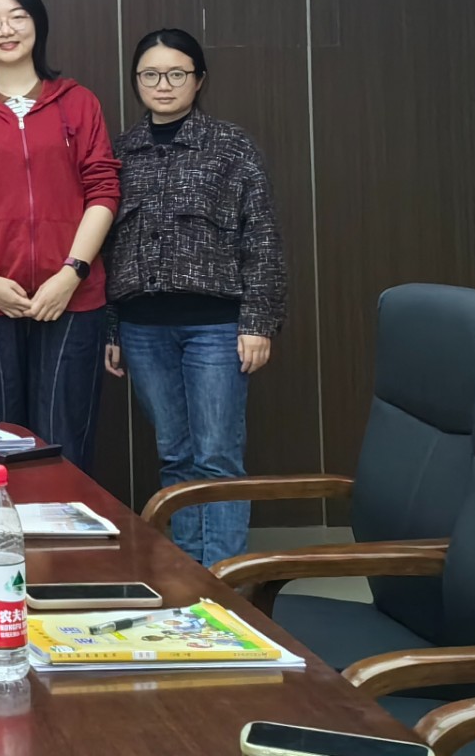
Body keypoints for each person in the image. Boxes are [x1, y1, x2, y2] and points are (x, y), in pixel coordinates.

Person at [103, 28, 285, 566]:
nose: (163, 84)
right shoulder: (121, 152)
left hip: (215, 326)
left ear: (199, 80)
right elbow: (108, 245)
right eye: (151, 74)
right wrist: (112, 328)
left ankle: (225, 577)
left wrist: (258, 322)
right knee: (175, 455)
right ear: (136, 81)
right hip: (142, 328)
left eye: (177, 73)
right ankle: (188, 572)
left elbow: (262, 236)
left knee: (216, 457)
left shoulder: (231, 147)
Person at [0, 0, 119, 471]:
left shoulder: (78, 103)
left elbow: (103, 191)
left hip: (72, 296)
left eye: (17, 16)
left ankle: (63, 528)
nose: (5, 29)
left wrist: (71, 273)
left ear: (38, 23)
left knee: (64, 442)